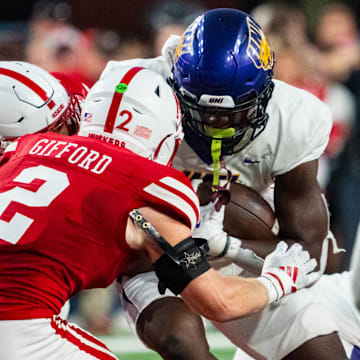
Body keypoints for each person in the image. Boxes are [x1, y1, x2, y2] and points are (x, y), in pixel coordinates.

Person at [0, 63, 317, 360]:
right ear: (162, 135)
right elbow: (219, 301)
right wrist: (279, 279)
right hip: (18, 328)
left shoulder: (22, 149)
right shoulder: (144, 192)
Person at [101, 8, 356, 360]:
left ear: (266, 92)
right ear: (176, 85)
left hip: (241, 253)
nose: (216, 124)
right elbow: (101, 188)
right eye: (201, 111)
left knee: (321, 352)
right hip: (151, 251)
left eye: (233, 112)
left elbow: (308, 252)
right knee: (183, 343)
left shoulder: (295, 118)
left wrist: (225, 246)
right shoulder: (137, 88)